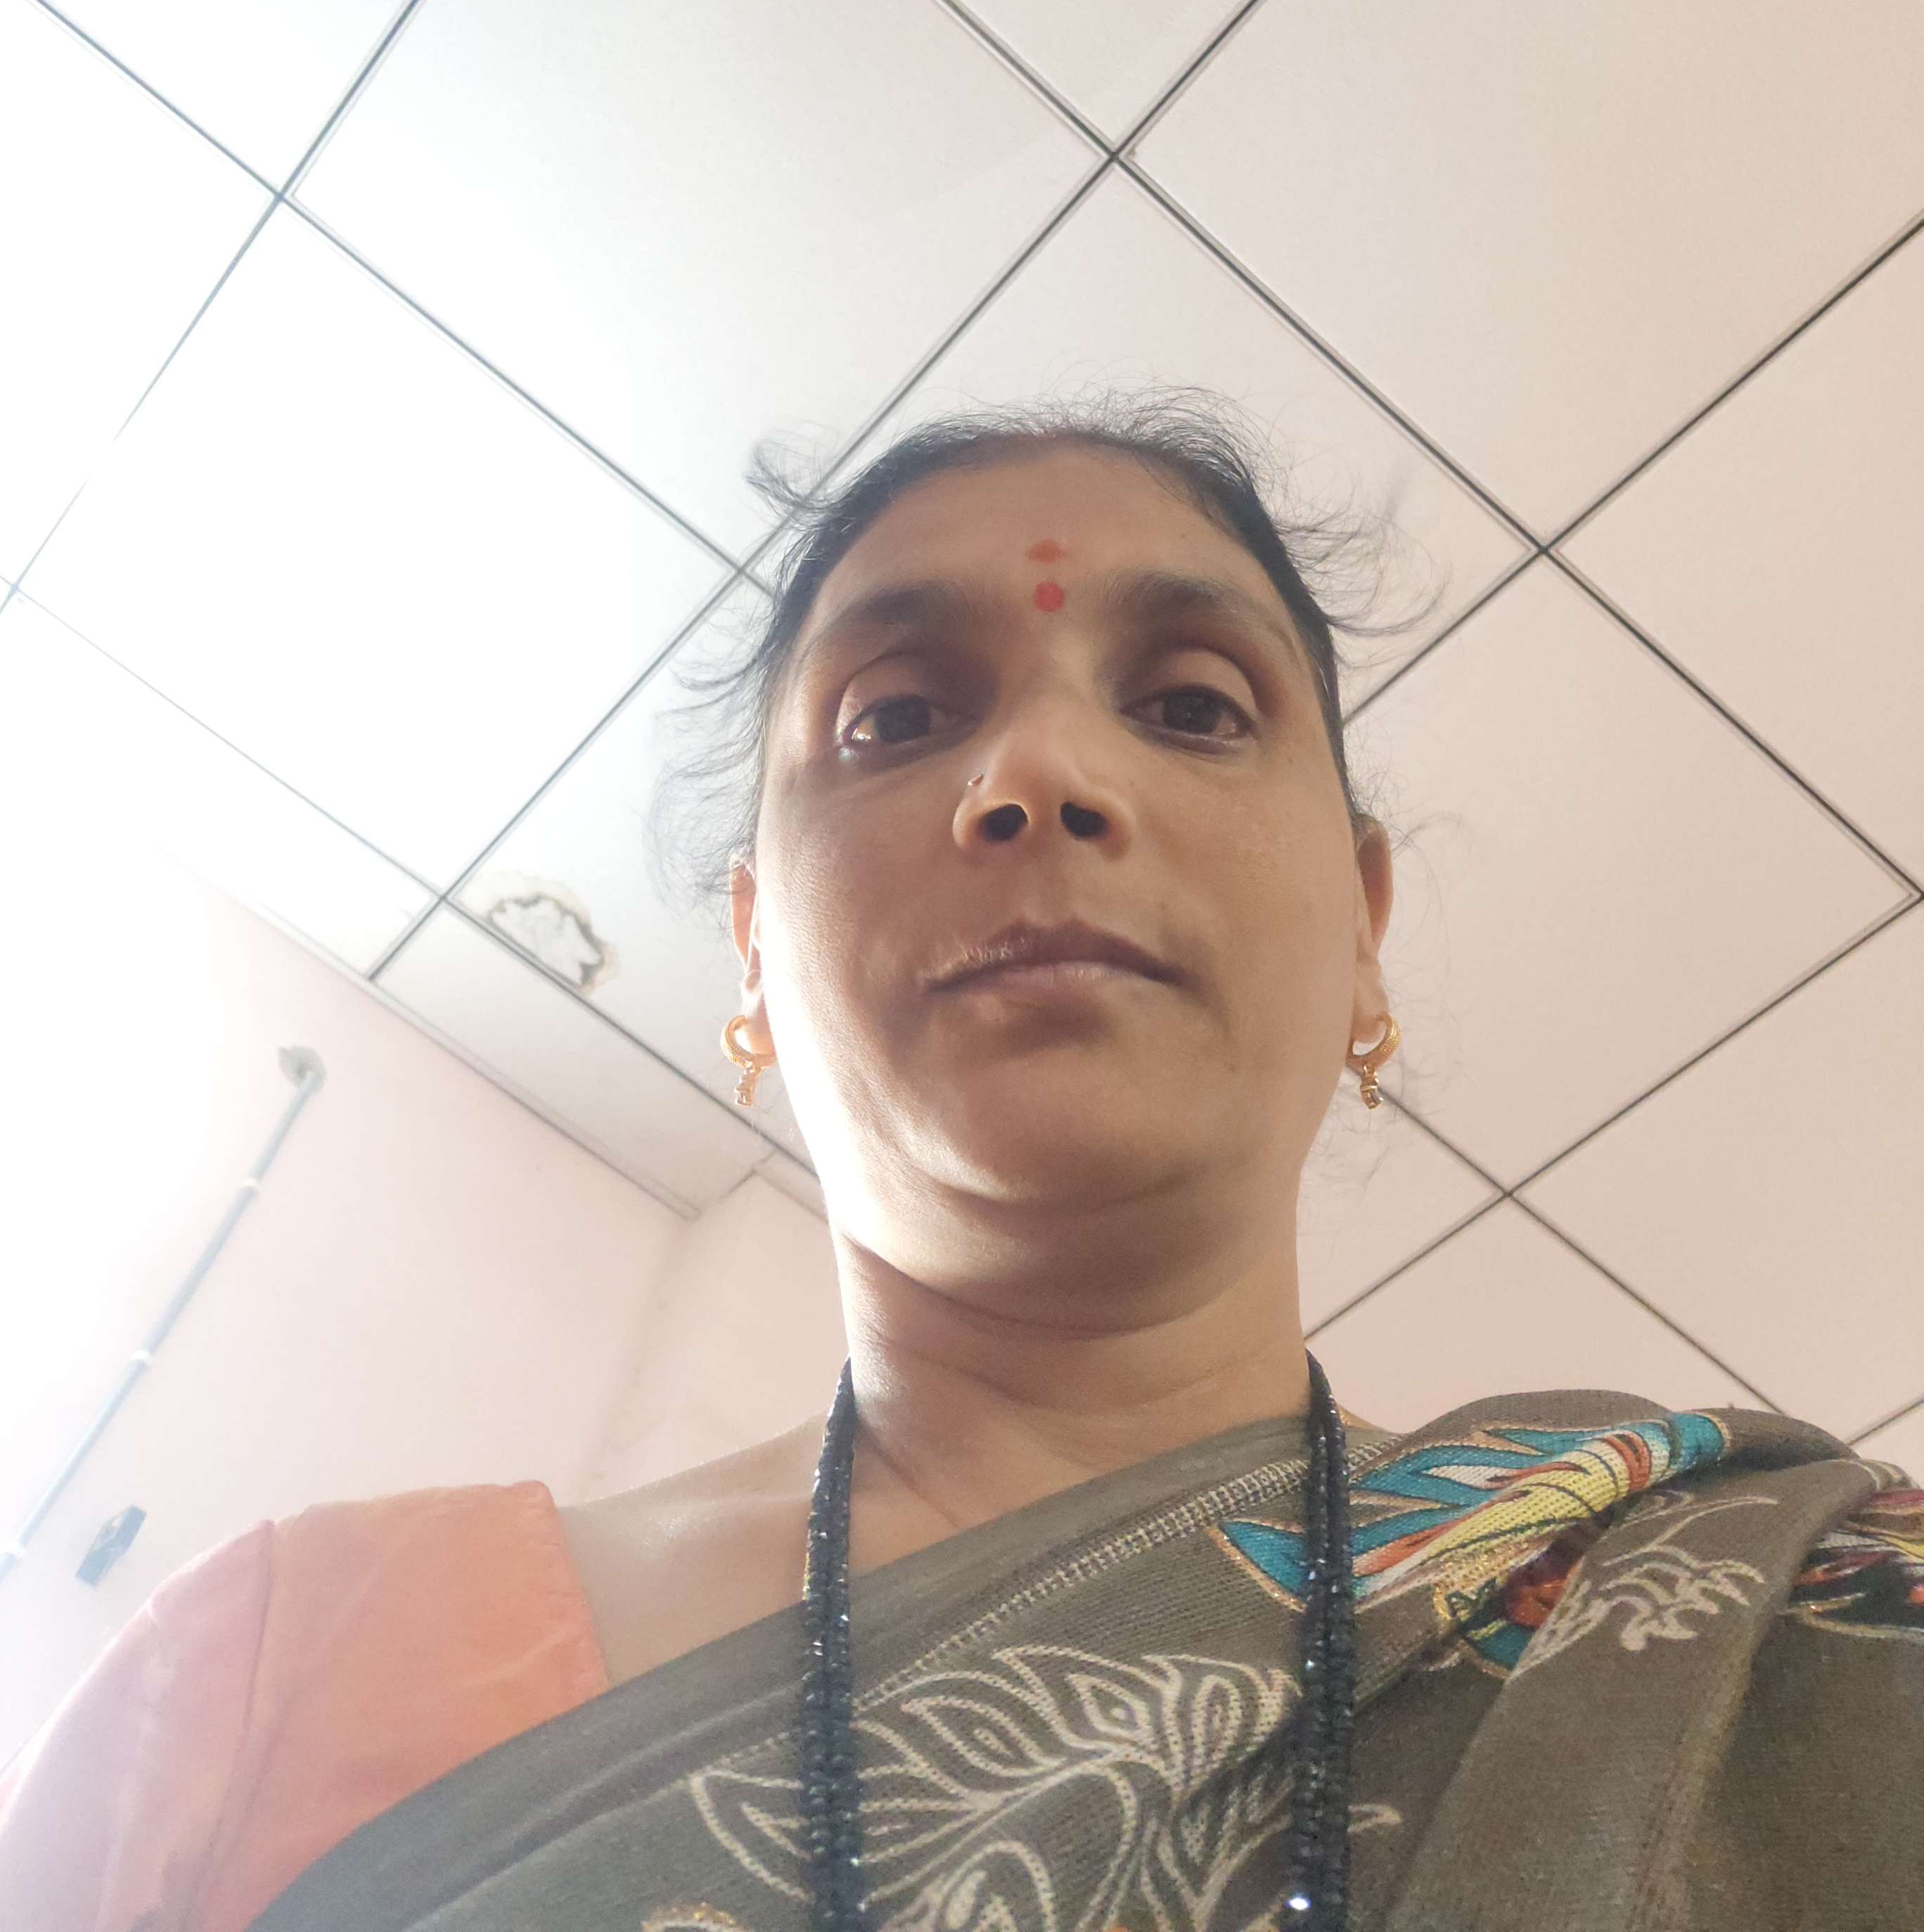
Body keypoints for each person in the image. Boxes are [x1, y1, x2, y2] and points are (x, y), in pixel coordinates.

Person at [1, 399, 1918, 1932]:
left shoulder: (1740, 1615)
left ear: (1362, 926)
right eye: (899, 718)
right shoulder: (274, 1678)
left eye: (1192, 706)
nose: (1040, 778)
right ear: (755, 955)